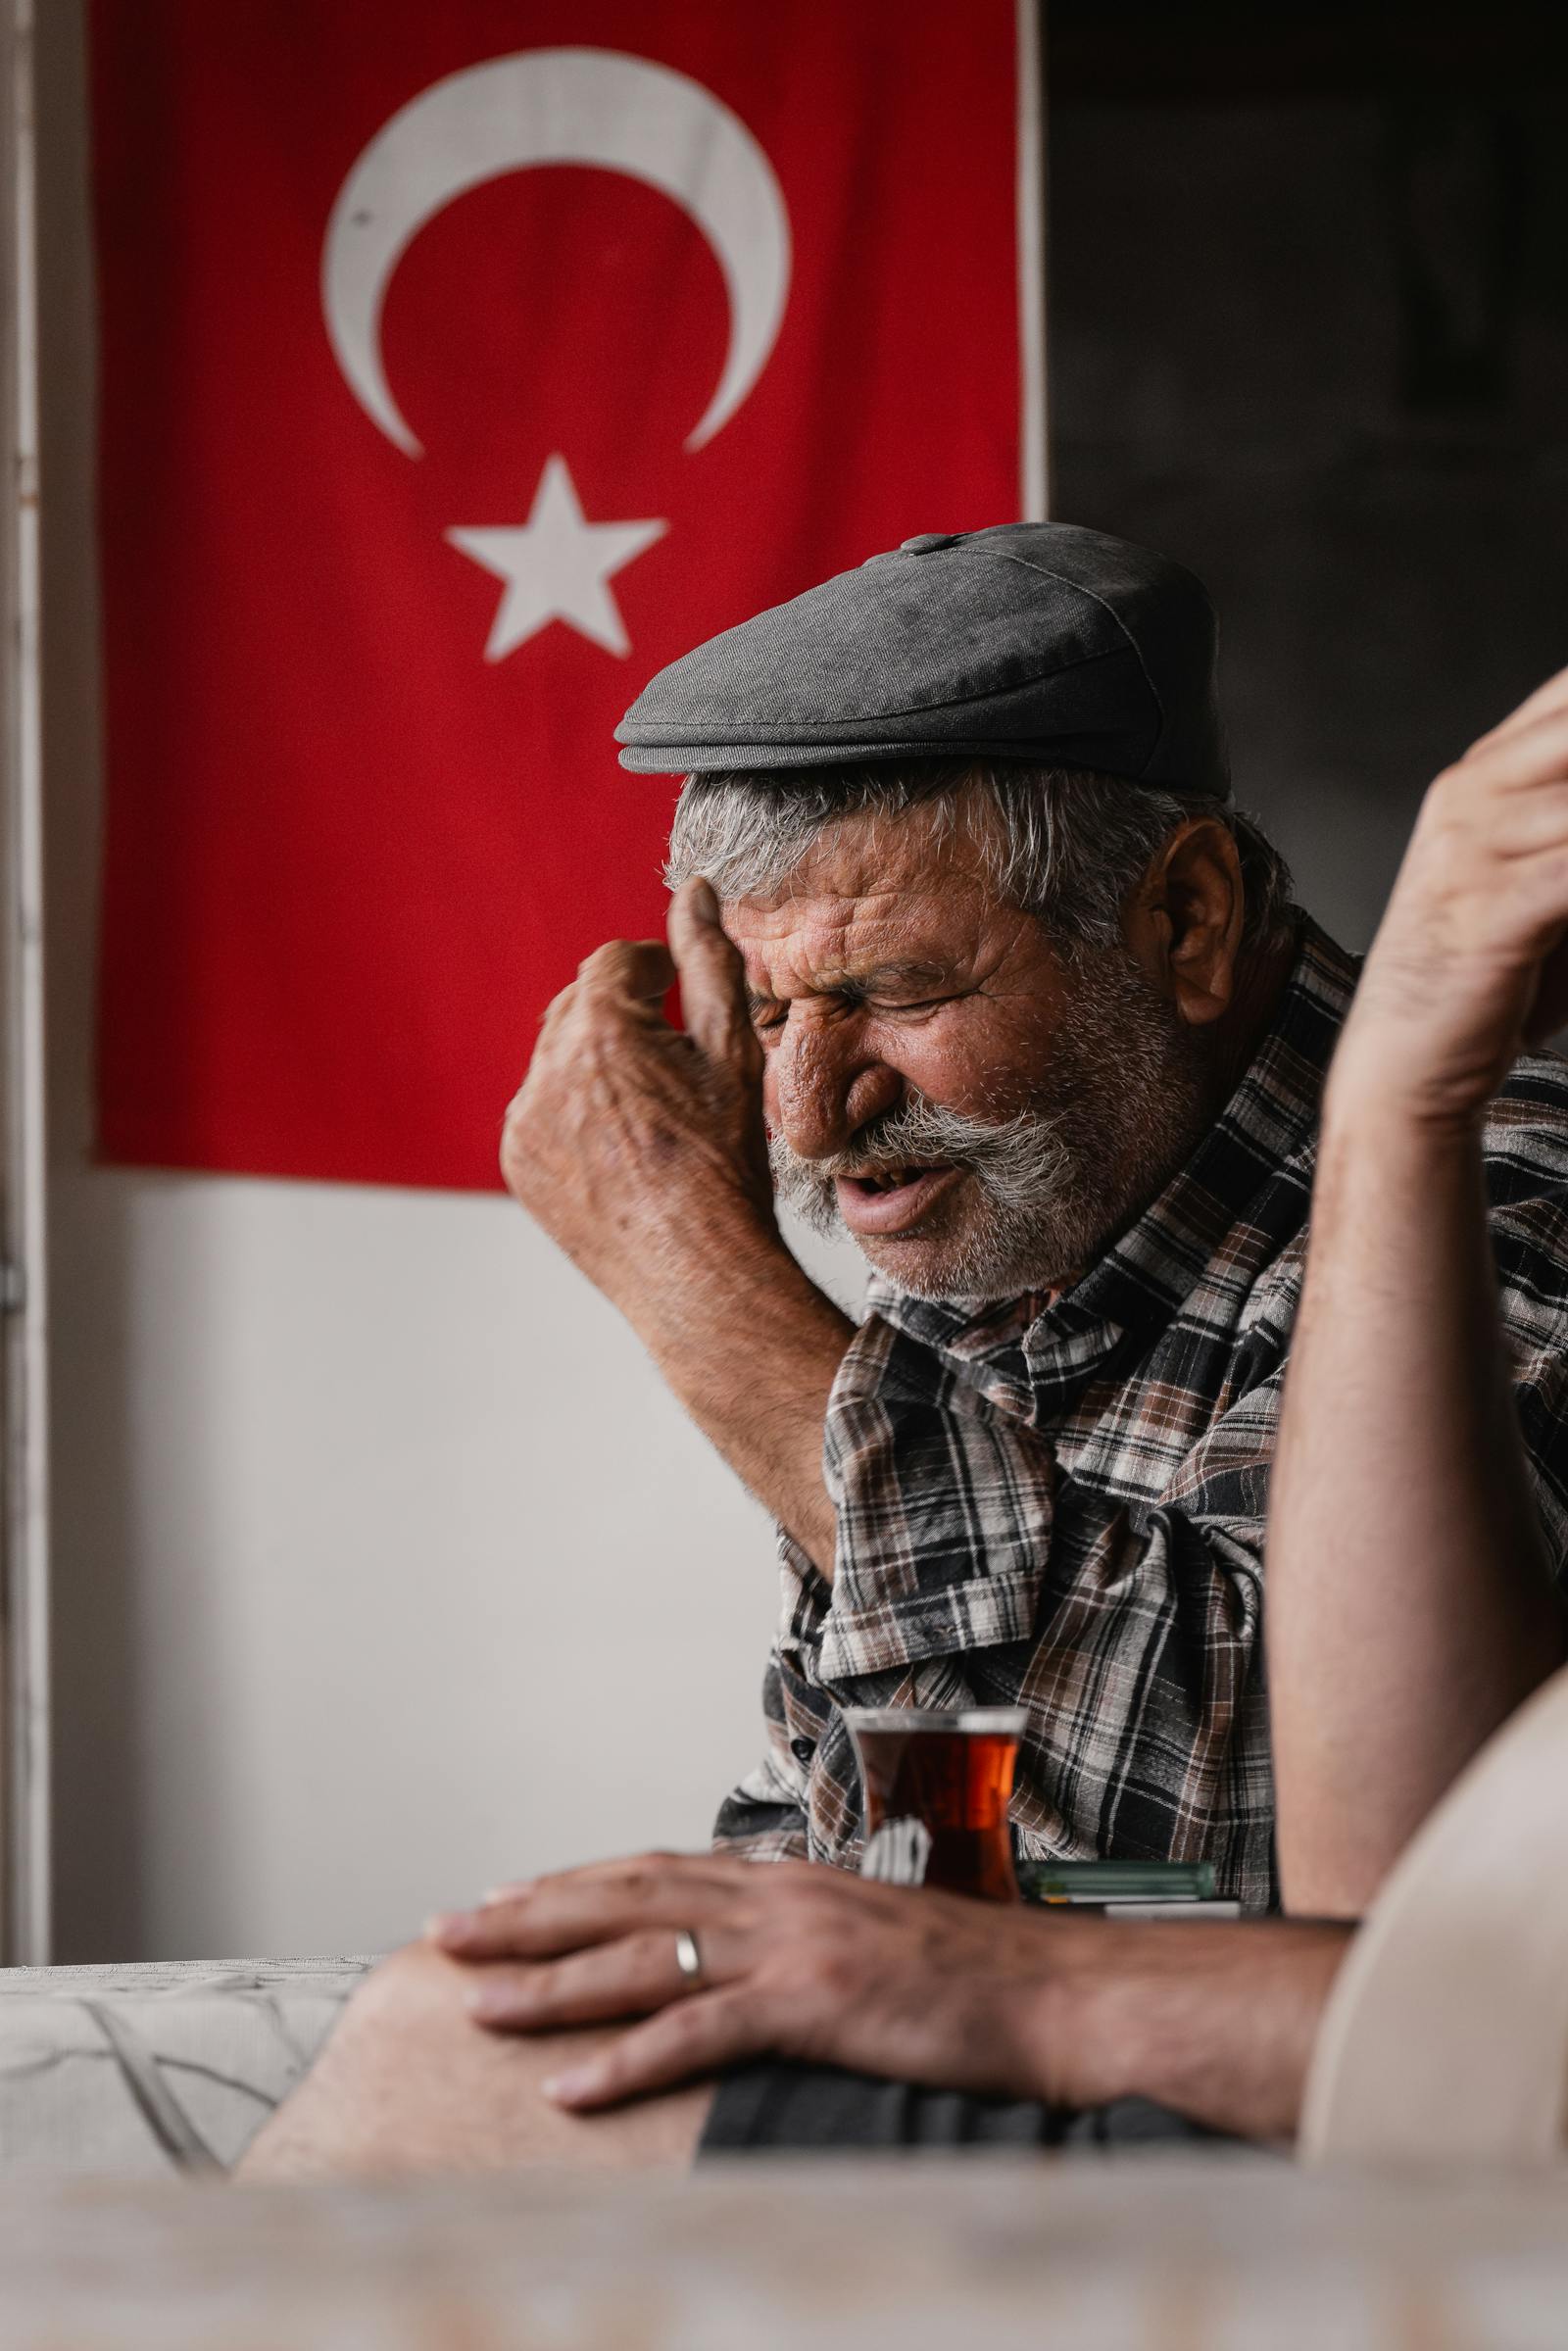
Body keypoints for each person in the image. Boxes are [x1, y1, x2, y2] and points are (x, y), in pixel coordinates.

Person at [240, 542, 1568, 2179]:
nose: (806, 1119)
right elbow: (898, 1838)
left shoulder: (1504, 1191)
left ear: (1188, 919)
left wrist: (698, 1282)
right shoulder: (1037, 1185)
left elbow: (1306, 1911)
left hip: (1326, 2176)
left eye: (893, 990)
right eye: (775, 1006)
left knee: (446, 2077)